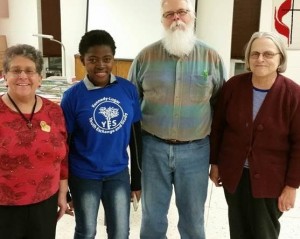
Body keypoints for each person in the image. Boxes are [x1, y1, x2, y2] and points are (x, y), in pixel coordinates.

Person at [128, 0, 226, 238]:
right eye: (169, 14)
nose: (176, 19)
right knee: (152, 219)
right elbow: (130, 105)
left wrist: (217, 160)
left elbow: (221, 109)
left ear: (193, 17)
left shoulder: (211, 58)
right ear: (162, 20)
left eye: (182, 12)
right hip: (153, 150)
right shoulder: (145, 57)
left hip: (196, 151)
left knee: (193, 219)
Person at [209, 31, 300, 239]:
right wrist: (215, 163)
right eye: (255, 54)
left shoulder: (294, 95)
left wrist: (292, 186)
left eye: (268, 54)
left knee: (263, 233)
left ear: (280, 58)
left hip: (271, 181)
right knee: (238, 232)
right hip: (235, 176)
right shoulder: (233, 86)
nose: (260, 59)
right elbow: (219, 127)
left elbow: (298, 145)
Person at [60, 29, 142, 239]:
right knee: (86, 231)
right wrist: (65, 189)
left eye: (107, 59)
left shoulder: (128, 90)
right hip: (84, 175)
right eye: (93, 59)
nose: (101, 65)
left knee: (120, 232)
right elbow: (63, 145)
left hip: (118, 174)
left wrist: (137, 180)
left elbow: (136, 137)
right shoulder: (72, 97)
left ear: (113, 58)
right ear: (83, 61)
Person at [0, 44, 69, 239]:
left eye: (30, 71)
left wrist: (63, 195)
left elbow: (62, 157)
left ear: (40, 78)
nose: (23, 76)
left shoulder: (53, 111)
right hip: (5, 208)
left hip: (45, 203)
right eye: (15, 70)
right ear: (5, 76)